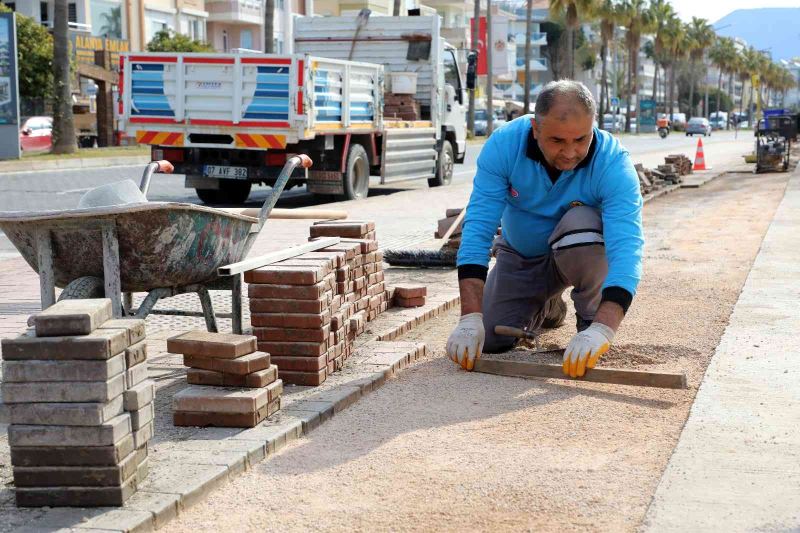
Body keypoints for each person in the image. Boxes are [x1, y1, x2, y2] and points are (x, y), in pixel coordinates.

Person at [445, 80, 644, 378]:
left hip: (579, 254)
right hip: (521, 255)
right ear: (535, 129)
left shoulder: (613, 164)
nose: (569, 152)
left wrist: (603, 329)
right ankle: (548, 305)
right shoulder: (504, 146)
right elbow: (478, 229)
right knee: (491, 338)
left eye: (580, 139)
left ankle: (588, 321)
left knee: (583, 224)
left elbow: (626, 250)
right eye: (557, 141)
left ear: (593, 127)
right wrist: (469, 318)